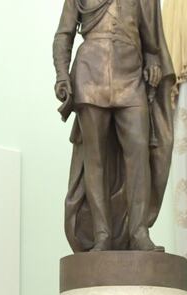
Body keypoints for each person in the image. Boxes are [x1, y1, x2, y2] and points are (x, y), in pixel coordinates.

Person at [53, 0, 175, 252]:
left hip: (130, 72)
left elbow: (150, 35)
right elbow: (64, 33)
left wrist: (153, 58)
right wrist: (62, 74)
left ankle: (139, 232)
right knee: (94, 159)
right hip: (90, 72)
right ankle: (102, 235)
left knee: (140, 152)